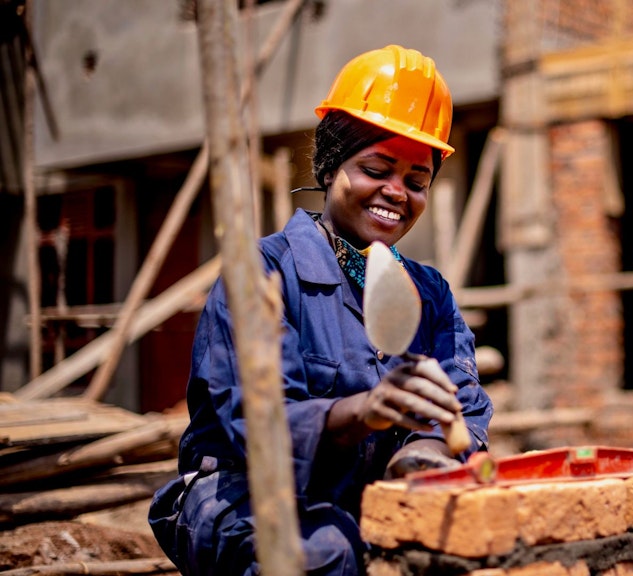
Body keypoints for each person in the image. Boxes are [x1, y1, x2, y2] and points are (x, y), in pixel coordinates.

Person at [149, 45, 492, 576]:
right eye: (377, 168)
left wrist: (422, 452)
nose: (396, 192)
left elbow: (463, 406)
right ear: (331, 167)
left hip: (363, 499)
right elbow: (255, 421)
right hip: (245, 493)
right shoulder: (264, 273)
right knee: (324, 551)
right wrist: (363, 410)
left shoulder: (430, 294)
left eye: (417, 181)